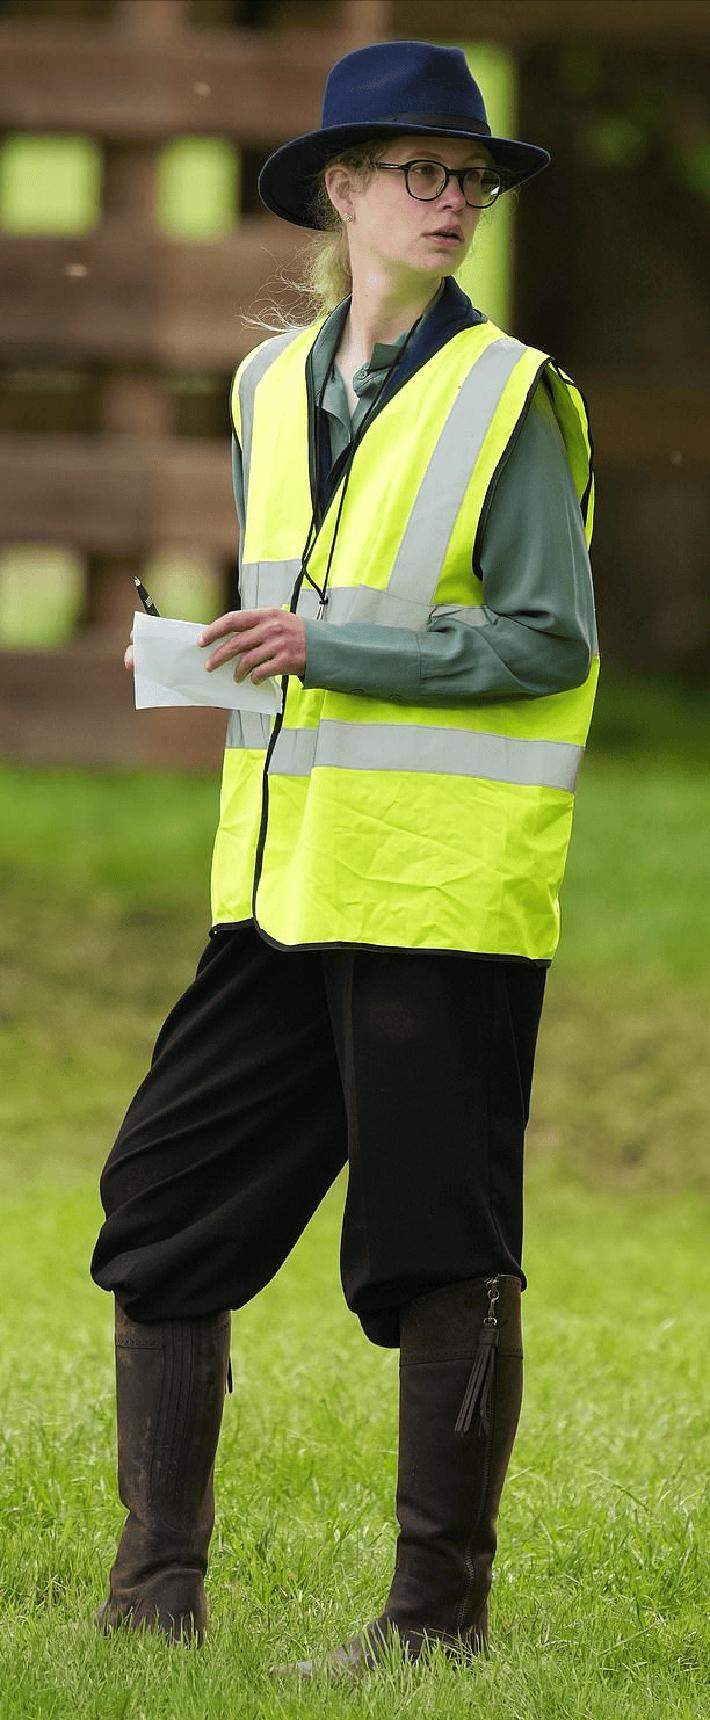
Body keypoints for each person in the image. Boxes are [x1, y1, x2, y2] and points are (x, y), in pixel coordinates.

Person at [90, 38, 599, 1681]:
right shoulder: (266, 384)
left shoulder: (508, 394)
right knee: (163, 1207)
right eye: (418, 173)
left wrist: (327, 651)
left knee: (435, 1242)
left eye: (467, 179)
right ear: (340, 192)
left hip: (440, 892)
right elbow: (306, 609)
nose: (449, 200)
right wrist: (219, 654)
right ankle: (151, 1600)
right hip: (280, 880)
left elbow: (539, 640)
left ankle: (432, 1627)